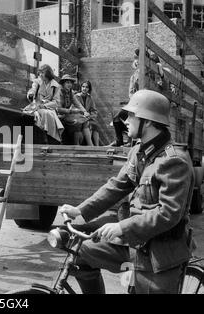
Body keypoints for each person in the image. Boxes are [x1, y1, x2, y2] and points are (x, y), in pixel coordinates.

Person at [60, 90, 195, 294]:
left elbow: (169, 214)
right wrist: (80, 211)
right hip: (133, 243)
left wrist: (122, 227)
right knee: (80, 253)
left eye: (131, 115)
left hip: (159, 253)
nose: (125, 120)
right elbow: (117, 185)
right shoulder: (139, 151)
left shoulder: (174, 160)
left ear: (148, 121)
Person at [24, 64, 63, 144]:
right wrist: (31, 93)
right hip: (36, 106)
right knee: (38, 114)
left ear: (48, 73)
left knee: (47, 113)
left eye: (43, 72)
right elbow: (33, 89)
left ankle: (48, 138)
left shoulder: (56, 86)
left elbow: (56, 102)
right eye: (40, 72)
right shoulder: (37, 81)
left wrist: (44, 105)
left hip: (49, 108)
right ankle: (43, 137)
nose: (40, 74)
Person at [53, 74, 90, 145]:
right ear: (63, 83)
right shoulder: (59, 92)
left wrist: (85, 112)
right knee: (77, 121)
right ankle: (77, 144)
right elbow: (58, 109)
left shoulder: (70, 92)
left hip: (67, 115)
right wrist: (72, 111)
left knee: (84, 119)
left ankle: (88, 144)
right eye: (67, 82)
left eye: (70, 83)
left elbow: (77, 103)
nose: (69, 84)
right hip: (60, 116)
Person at [75, 81, 98, 146]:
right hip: (78, 117)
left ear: (89, 89)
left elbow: (94, 111)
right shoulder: (76, 96)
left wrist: (90, 116)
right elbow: (74, 108)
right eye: (83, 87)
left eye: (87, 87)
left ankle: (97, 146)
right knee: (85, 124)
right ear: (81, 87)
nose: (84, 88)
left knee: (95, 125)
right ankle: (90, 145)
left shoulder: (90, 98)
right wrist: (82, 114)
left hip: (88, 117)